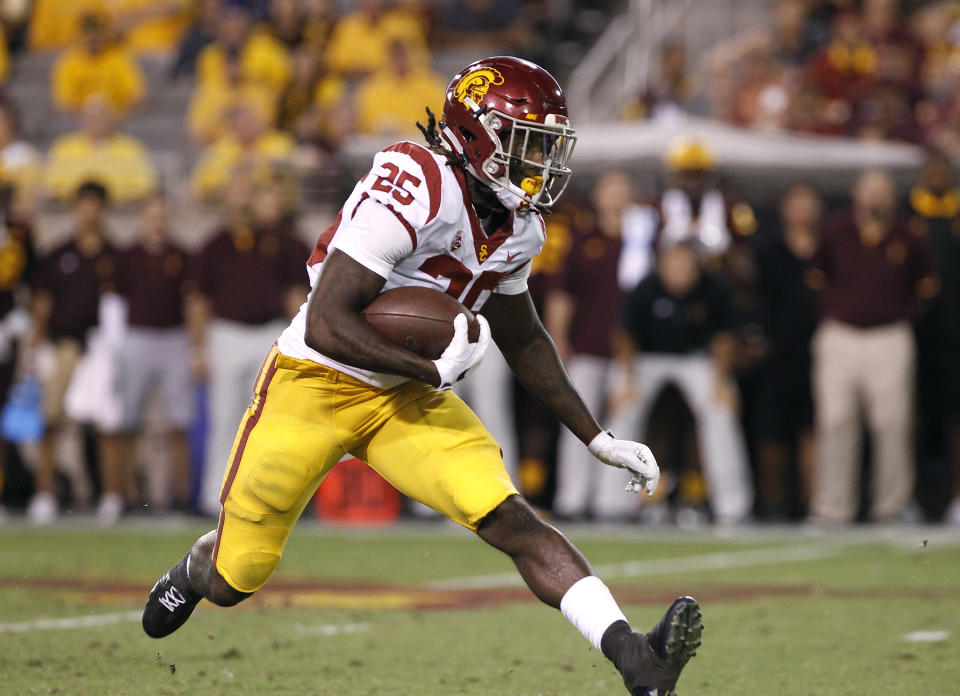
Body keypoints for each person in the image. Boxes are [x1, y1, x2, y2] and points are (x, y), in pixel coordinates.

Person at [141, 56, 703, 696]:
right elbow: (327, 320)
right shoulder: (418, 180)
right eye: (526, 144)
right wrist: (431, 368)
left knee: (510, 517)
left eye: (546, 147)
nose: (541, 163)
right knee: (237, 579)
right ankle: (193, 569)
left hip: (403, 397)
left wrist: (596, 436)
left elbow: (525, 338)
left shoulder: (520, 227)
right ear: (477, 134)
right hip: (313, 381)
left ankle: (637, 659)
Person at [807, 169, 937, 524]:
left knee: (892, 423)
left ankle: (890, 506)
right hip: (841, 335)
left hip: (889, 336)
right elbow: (818, 278)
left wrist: (898, 313)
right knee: (835, 420)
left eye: (882, 191)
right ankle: (833, 507)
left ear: (893, 196)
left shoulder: (908, 235)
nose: (875, 198)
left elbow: (924, 288)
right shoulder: (837, 231)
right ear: (856, 195)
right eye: (870, 191)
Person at [611, 238, 754, 524]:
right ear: (661, 265)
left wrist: (721, 383)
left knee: (720, 411)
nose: (679, 270)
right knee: (623, 410)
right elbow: (625, 336)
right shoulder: (645, 287)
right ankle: (611, 503)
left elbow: (724, 339)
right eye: (673, 263)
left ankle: (732, 506)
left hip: (697, 360)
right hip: (647, 358)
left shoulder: (714, 288)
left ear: (697, 266)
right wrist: (625, 382)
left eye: (685, 264)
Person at [26, 181, 118, 524]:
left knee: (105, 424)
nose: (88, 211)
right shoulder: (59, 252)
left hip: (97, 346)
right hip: (62, 344)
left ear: (102, 209)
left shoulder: (112, 254)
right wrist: (36, 340)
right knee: (50, 420)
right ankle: (44, 494)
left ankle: (111, 496)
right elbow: (44, 300)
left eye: (94, 204)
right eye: (83, 204)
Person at [100, 194, 195, 516]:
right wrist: (114, 346)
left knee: (178, 422)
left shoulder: (181, 254)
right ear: (142, 217)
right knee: (127, 421)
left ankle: (180, 497)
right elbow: (113, 303)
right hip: (136, 337)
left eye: (162, 215)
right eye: (152, 215)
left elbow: (192, 304)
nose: (157, 221)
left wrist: (195, 346)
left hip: (173, 338)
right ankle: (122, 495)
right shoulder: (126, 255)